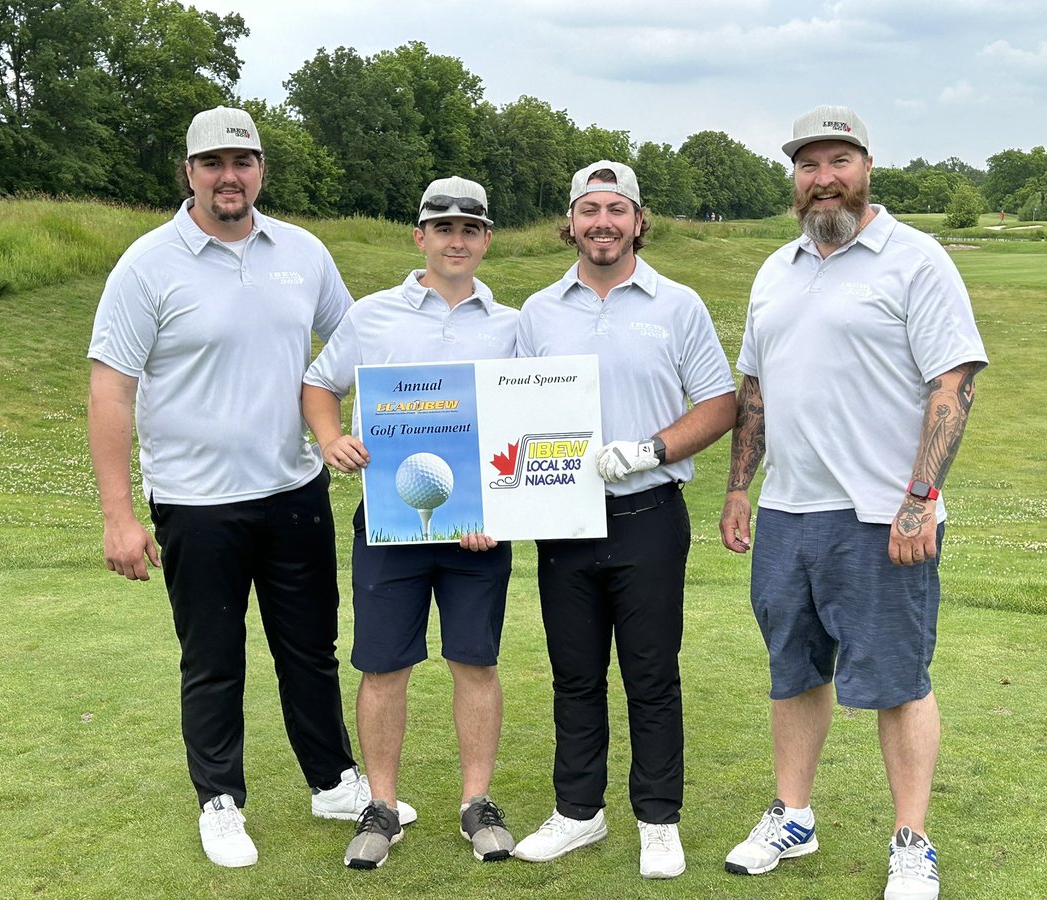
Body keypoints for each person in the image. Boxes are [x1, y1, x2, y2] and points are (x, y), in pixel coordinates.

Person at [87, 105, 414, 870]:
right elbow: (111, 391)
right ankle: (221, 800)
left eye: (243, 162)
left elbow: (361, 347)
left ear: (261, 169)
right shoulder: (147, 264)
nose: (228, 177)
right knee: (213, 657)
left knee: (310, 649)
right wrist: (118, 515)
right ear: (190, 173)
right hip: (196, 502)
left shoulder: (302, 251)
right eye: (212, 164)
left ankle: (334, 780)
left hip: (293, 489)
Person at [719, 105, 988, 900]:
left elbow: (953, 383)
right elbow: (757, 390)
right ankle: (792, 815)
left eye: (838, 160)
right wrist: (740, 485)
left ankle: (912, 839)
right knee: (793, 670)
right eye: (808, 164)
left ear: (867, 166)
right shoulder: (777, 268)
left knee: (895, 679)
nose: (822, 177)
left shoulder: (916, 259)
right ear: (794, 178)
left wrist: (920, 498)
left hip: (881, 513)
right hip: (787, 512)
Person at [511, 161, 737, 879]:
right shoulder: (538, 311)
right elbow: (512, 410)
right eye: (588, 210)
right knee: (574, 675)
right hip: (564, 519)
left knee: (650, 673)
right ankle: (579, 812)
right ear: (570, 223)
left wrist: (651, 450)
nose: (602, 222)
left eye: (617, 209)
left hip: (648, 515)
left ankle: (657, 818)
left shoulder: (678, 304)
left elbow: (718, 404)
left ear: (639, 221)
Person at [302, 176, 519, 870]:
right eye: (443, 228)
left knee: (475, 662)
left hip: (476, 531)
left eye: (471, 229)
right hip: (390, 523)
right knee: (383, 664)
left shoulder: (513, 325)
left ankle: (476, 803)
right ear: (419, 236)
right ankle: (383, 807)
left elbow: (525, 421)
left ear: (486, 239)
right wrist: (331, 437)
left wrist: (505, 505)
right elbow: (317, 384)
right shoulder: (371, 315)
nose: (457, 241)